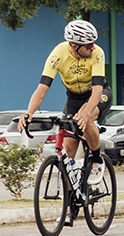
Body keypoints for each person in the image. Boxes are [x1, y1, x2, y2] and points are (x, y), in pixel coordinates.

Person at [19, 20, 113, 185]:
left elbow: (97, 91)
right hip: (73, 98)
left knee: (86, 117)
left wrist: (86, 113)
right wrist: (29, 113)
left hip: (98, 93)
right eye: (88, 45)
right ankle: (70, 199)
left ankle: (97, 160)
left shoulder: (97, 53)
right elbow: (42, 89)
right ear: (74, 45)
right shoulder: (58, 54)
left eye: (93, 43)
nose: (92, 47)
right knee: (68, 153)